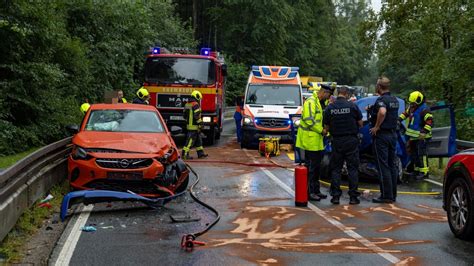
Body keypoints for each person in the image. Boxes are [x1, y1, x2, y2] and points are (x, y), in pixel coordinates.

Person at [323, 86, 363, 205]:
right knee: (352, 169)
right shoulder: (353, 106)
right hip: (351, 140)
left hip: (337, 141)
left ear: (338, 93)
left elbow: (326, 127)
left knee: (336, 169)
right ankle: (353, 197)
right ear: (347, 94)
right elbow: (360, 124)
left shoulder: (330, 107)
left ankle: (335, 196)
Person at [295, 83, 333, 201]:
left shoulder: (322, 103)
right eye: (329, 95)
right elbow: (309, 120)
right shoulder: (311, 102)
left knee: (317, 167)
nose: (329, 98)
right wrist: (321, 130)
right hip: (309, 140)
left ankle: (316, 190)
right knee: (311, 168)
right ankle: (309, 192)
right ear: (324, 92)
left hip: (318, 140)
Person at [369, 76, 400, 203]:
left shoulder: (381, 100)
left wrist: (376, 127)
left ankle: (386, 196)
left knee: (383, 166)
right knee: (392, 165)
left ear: (379, 87)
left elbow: (382, 112)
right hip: (393, 135)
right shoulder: (395, 100)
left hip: (382, 136)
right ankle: (392, 194)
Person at [399, 91, 433, 180]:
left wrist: (424, 131)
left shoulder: (425, 109)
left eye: (413, 103)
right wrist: (398, 119)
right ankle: (417, 170)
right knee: (414, 154)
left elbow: (429, 121)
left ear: (418, 101)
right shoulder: (412, 107)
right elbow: (405, 114)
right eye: (411, 103)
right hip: (413, 137)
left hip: (422, 136)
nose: (412, 105)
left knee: (422, 154)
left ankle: (424, 172)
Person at [182, 90, 208, 159]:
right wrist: (201, 124)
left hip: (189, 126)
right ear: (197, 96)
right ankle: (184, 154)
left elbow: (184, 116)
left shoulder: (187, 104)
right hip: (194, 126)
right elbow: (197, 116)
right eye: (199, 99)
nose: (199, 100)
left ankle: (201, 154)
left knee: (198, 141)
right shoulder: (195, 104)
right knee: (190, 141)